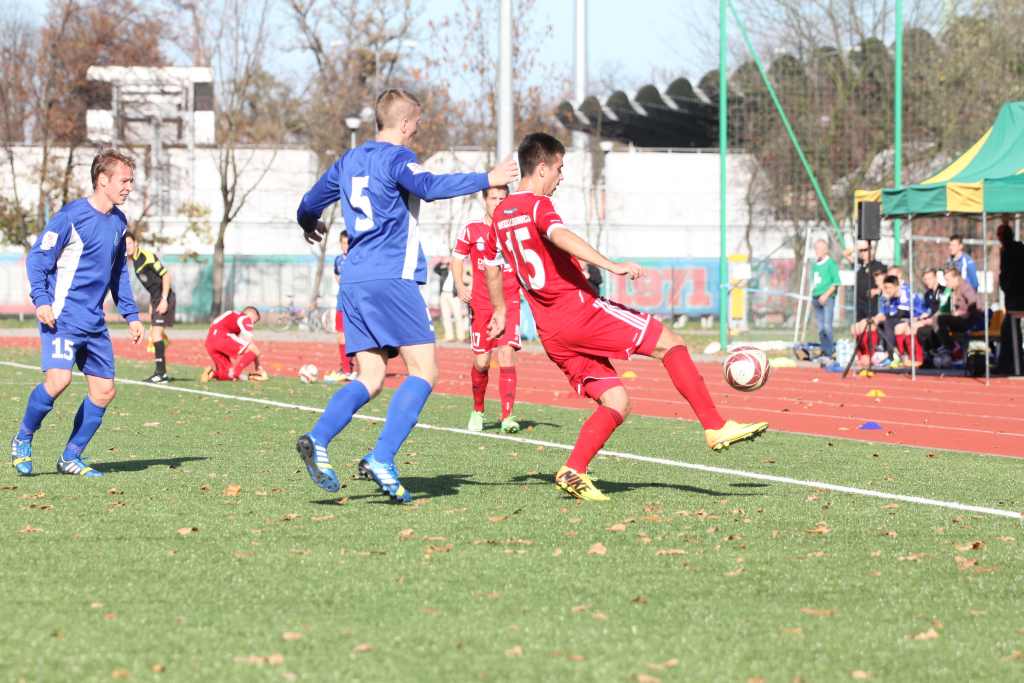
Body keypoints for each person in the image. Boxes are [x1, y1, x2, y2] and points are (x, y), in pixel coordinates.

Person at [487, 133, 767, 501]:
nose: (561, 176)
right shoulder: (538, 205)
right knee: (670, 344)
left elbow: (493, 269)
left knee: (617, 401)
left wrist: (500, 310)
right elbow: (560, 234)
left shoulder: (500, 213)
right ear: (541, 168)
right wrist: (609, 264)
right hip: (579, 312)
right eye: (559, 168)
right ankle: (714, 426)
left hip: (550, 331)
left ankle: (574, 468)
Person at [293, 88, 518, 503]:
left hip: (354, 280)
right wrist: (487, 179)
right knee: (424, 372)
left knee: (371, 377)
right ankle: (382, 457)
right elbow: (428, 186)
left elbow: (309, 203)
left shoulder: (349, 160)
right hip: (391, 278)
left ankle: (319, 438)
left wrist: (308, 222)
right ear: (404, 123)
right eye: (416, 122)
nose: (417, 129)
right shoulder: (397, 159)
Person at [10, 149, 144, 478]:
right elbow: (38, 260)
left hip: (94, 323)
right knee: (59, 380)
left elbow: (118, 274)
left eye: (131, 181)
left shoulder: (119, 221)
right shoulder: (71, 216)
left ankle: (70, 457)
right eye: (124, 180)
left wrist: (132, 315)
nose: (129, 187)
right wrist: (41, 300)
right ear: (102, 180)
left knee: (104, 391)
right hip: (62, 317)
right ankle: (22, 438)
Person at [451, 185, 522, 434]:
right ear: (484, 200)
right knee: (482, 362)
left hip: (511, 300)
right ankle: (478, 409)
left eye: (503, 198)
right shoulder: (472, 229)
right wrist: (460, 285)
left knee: (506, 354)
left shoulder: (515, 230)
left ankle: (507, 416)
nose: (498, 203)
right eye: (494, 198)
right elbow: (457, 258)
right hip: (482, 304)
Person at [124, 232, 175, 383]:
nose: (127, 247)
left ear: (136, 243)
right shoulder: (135, 261)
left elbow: (165, 275)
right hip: (156, 299)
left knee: (157, 334)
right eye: (124, 245)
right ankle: (160, 372)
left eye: (129, 243)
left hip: (164, 298)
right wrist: (152, 306)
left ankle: (161, 374)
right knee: (155, 334)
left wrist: (164, 299)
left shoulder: (146, 256)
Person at [200, 307, 267, 382]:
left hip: (209, 342)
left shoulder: (231, 314)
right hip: (222, 337)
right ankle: (236, 372)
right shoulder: (245, 318)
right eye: (255, 320)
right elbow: (251, 343)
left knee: (228, 374)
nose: (253, 323)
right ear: (252, 314)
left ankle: (212, 373)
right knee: (255, 350)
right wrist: (258, 366)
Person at [324, 231, 356, 382]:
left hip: (358, 303)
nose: (346, 246)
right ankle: (347, 369)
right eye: (343, 243)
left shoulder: (358, 258)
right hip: (342, 301)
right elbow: (338, 277)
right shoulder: (338, 260)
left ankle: (362, 369)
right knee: (341, 335)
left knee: (358, 336)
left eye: (348, 243)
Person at [996, 224, 1024, 374]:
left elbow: (1010, 274)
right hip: (1013, 296)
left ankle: (1013, 365)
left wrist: (1005, 284)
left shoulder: (1011, 251)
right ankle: (1012, 364)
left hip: (1016, 297)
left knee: (1010, 330)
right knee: (1009, 330)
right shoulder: (1012, 249)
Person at [935, 267, 983, 353]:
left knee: (941, 319)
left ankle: (951, 347)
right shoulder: (952, 290)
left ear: (956, 278)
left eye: (948, 280)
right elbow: (945, 307)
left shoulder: (965, 287)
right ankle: (946, 346)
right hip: (961, 319)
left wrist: (962, 312)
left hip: (972, 320)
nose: (946, 283)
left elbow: (973, 304)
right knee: (937, 320)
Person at [810, 238, 840, 360]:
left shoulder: (831, 264)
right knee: (821, 328)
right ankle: (825, 350)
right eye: (816, 248)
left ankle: (831, 351)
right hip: (816, 298)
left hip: (827, 299)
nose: (817, 251)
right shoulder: (814, 265)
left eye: (820, 249)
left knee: (827, 326)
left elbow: (836, 282)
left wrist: (826, 295)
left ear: (825, 250)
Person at [434, 256, 468, 342]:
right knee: (446, 317)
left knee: (458, 316)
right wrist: (442, 262)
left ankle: (461, 337)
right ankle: (449, 336)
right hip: (444, 294)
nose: (450, 265)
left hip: (454, 295)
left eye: (451, 264)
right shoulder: (444, 271)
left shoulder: (458, 273)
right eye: (449, 264)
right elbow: (435, 269)